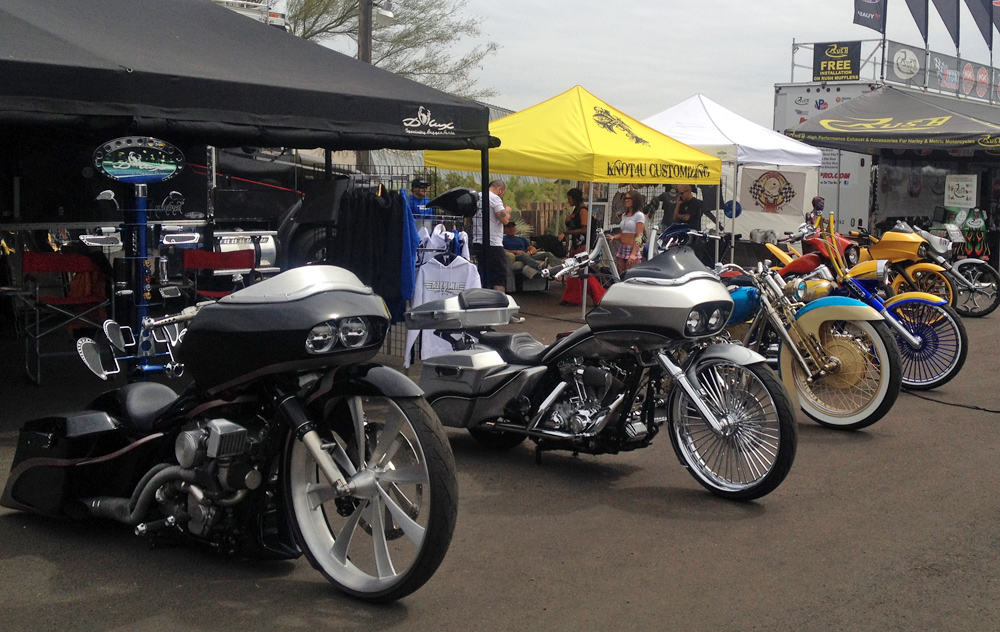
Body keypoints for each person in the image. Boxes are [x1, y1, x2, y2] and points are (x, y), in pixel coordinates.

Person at [559, 187, 605, 306]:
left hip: (582, 245)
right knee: (572, 271)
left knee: (583, 272)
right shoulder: (576, 210)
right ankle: (572, 297)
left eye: (570, 199)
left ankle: (599, 295)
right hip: (576, 244)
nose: (568, 201)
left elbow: (585, 229)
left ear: (575, 198)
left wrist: (568, 232)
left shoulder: (583, 211)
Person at [484, 179, 512, 292]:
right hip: (493, 243)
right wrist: (508, 210)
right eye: (503, 193)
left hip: (478, 242)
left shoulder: (478, 197)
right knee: (499, 276)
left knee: (484, 274)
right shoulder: (495, 198)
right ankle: (499, 303)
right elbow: (505, 220)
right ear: (500, 190)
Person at [610, 190, 645, 274]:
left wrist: (633, 254)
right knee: (621, 274)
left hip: (632, 249)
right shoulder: (624, 215)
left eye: (629, 198)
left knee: (630, 275)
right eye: (625, 198)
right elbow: (623, 233)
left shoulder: (639, 215)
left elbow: (639, 235)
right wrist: (614, 237)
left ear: (635, 200)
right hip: (622, 248)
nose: (626, 200)